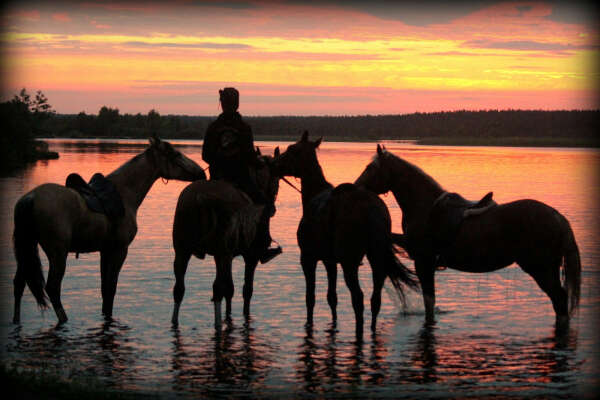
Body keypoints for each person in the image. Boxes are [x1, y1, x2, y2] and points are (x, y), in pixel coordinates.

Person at [202, 87, 281, 263]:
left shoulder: (213, 127)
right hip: (239, 179)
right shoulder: (243, 128)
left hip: (216, 179)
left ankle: (197, 241)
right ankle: (263, 244)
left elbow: (205, 156)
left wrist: (219, 159)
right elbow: (249, 157)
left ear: (222, 104)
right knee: (264, 203)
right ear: (236, 104)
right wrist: (259, 162)